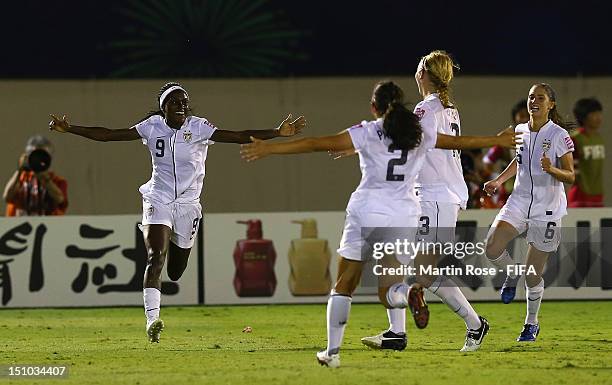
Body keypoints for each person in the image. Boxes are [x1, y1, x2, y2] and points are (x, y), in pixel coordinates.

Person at [240, 79, 518, 367]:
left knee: (344, 283)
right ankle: (408, 295)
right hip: (404, 215)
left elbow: (314, 143)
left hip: (367, 211)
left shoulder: (368, 131)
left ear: (374, 107)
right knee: (391, 288)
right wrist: (496, 140)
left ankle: (332, 353)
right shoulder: (418, 133)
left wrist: (270, 149)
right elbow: (458, 143)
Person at [48, 82, 305, 343]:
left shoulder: (199, 127)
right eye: (175, 102)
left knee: (176, 270)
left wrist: (276, 132)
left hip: (188, 205)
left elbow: (238, 135)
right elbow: (108, 135)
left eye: (184, 102)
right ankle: (152, 321)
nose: (182, 106)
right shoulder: (151, 126)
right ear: (164, 108)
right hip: (157, 199)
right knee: (154, 257)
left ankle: (173, 241)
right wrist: (70, 129)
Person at [360, 51, 514, 352]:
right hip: (432, 195)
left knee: (416, 267)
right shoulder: (446, 107)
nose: (416, 73)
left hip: (437, 196)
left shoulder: (427, 109)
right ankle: (411, 329)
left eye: (419, 68)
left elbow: (423, 141)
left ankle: (425, 323)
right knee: (408, 263)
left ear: (424, 74)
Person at [484, 83, 575, 341]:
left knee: (533, 274)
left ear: (551, 104)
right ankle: (511, 271)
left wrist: (552, 169)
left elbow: (570, 176)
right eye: (531, 97)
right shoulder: (520, 131)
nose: (534, 101)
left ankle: (531, 323)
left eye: (540, 97)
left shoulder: (558, 135)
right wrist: (498, 181)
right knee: (491, 247)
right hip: (519, 201)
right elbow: (519, 160)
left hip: (547, 208)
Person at [3, 135, 68, 216]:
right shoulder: (22, 178)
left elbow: (60, 200)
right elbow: (7, 196)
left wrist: (43, 177)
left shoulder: (57, 181)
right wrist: (19, 170)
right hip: (21, 225)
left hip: (49, 226)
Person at [482, 99, 530, 207]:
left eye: (527, 115)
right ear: (514, 118)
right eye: (521, 115)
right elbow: (487, 161)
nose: (525, 119)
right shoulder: (507, 138)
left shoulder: (541, 137)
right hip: (509, 193)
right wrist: (496, 179)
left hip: (534, 192)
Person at [568, 98, 605, 207]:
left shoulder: (599, 138)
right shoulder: (575, 139)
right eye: (593, 114)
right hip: (580, 196)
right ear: (583, 117)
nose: (598, 117)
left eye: (599, 113)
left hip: (598, 195)